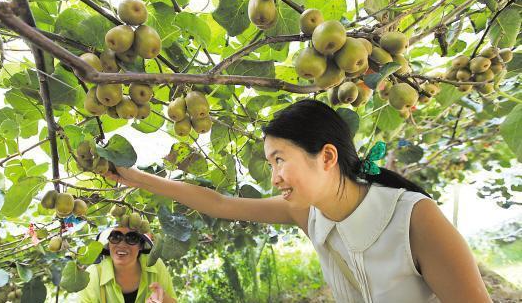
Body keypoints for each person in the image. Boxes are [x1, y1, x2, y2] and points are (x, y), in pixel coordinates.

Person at [105, 99, 491, 302]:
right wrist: (135, 177)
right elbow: (219, 203)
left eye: (279, 160)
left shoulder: (414, 219)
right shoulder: (308, 213)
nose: (274, 177)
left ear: (326, 156)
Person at [77, 226, 176, 303]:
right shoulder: (93, 275)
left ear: (141, 246)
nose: (122, 244)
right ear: (108, 243)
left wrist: (163, 297)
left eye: (132, 238)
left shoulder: (155, 265)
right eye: (116, 237)